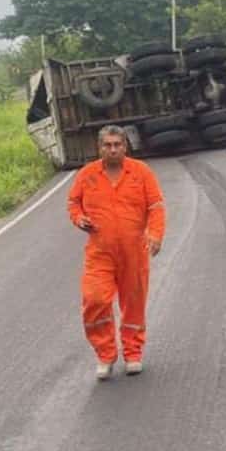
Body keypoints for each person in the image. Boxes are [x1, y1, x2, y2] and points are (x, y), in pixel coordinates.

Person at [68, 124, 166, 380]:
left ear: (125, 146)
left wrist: (155, 234)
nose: (112, 149)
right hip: (99, 252)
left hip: (134, 251)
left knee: (133, 304)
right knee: (94, 300)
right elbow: (73, 202)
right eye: (107, 145)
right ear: (99, 148)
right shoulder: (87, 175)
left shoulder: (141, 172)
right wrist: (79, 218)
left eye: (117, 145)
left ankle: (133, 353)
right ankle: (105, 354)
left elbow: (155, 205)